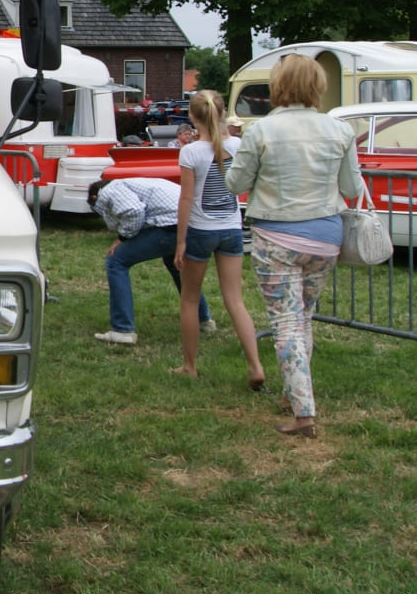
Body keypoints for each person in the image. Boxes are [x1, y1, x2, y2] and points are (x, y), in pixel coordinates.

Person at [225, 55, 361, 439]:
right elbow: (352, 189)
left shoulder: (261, 131)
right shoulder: (339, 130)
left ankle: (303, 413)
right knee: (304, 316)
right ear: (317, 85)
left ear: (277, 86)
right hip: (326, 236)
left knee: (286, 322)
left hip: (277, 237)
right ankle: (292, 393)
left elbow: (236, 184)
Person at [173, 89, 265, 387]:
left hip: (201, 230)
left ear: (192, 117)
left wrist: (180, 241)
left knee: (189, 299)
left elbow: (186, 199)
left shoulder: (190, 152)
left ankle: (190, 365)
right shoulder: (238, 145)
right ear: (223, 113)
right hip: (231, 229)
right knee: (235, 300)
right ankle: (255, 365)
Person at [88, 177, 215, 345]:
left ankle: (122, 329)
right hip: (193, 224)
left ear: (94, 198)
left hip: (171, 226)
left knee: (116, 260)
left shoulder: (109, 191)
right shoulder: (136, 183)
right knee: (175, 264)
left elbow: (134, 211)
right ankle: (203, 320)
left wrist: (122, 238)